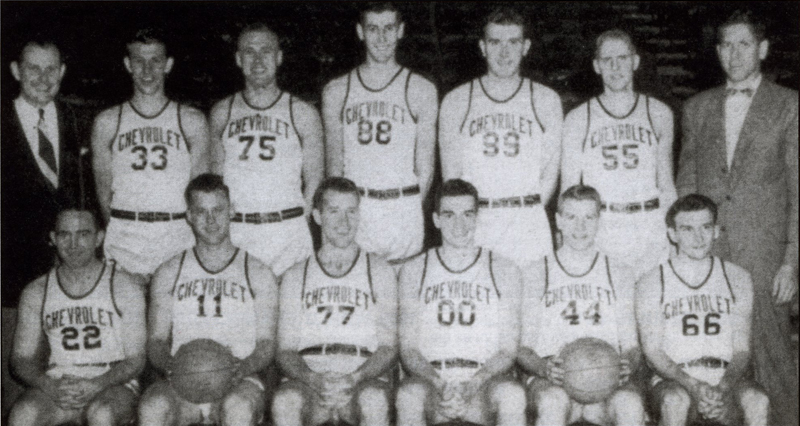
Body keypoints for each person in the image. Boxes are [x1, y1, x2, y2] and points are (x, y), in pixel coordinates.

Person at [675, 10, 797, 425]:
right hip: (707, 253)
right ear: (717, 51)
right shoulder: (696, 107)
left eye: (744, 44)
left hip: (764, 253)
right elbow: (686, 186)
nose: (735, 53)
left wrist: (792, 261)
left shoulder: (789, 105)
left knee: (772, 353)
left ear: (762, 49)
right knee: (715, 353)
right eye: (726, 44)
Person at [2, 37, 95, 414]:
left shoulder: (77, 119)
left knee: (75, 391)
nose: (42, 77)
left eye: (50, 69)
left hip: (71, 282)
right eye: (33, 68)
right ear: (15, 71)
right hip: (11, 282)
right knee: (18, 393)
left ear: (62, 73)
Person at [139, 174, 278, 425]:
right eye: (201, 212)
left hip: (240, 381)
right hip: (183, 378)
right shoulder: (169, 271)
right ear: (189, 216)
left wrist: (241, 369)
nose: (211, 220)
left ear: (231, 212)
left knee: (239, 410)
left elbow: (267, 343)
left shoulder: (258, 272)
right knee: (152, 407)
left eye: (218, 210)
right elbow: (156, 341)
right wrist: (171, 366)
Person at [439, 6, 563, 269]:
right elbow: (452, 178)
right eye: (495, 42)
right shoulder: (457, 100)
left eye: (513, 42)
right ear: (482, 47)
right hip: (479, 222)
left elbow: (550, 174)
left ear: (526, 46)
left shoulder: (546, 99)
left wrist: (526, 211)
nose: (504, 52)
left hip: (528, 222)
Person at [396, 179, 525, 426]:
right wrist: (440, 384)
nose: (459, 224)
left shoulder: (504, 269)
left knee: (513, 395)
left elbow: (508, 350)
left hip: (484, 382)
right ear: (436, 219)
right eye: (449, 215)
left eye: (467, 214)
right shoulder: (413, 270)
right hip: (433, 381)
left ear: (477, 217)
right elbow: (409, 349)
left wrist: (474, 383)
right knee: (408, 396)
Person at [273, 177, 397, 426]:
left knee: (374, 400)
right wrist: (312, 379)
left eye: (351, 211)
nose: (344, 222)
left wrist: (354, 378)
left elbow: (388, 348)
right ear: (317, 216)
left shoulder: (380, 270)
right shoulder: (296, 274)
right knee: (285, 402)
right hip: (310, 376)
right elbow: (285, 351)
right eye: (334, 211)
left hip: (363, 376)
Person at [637, 194, 769, 426]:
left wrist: (723, 387)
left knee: (757, 400)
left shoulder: (738, 277)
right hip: (675, 380)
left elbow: (741, 350)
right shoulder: (651, 281)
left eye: (705, 227)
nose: (698, 238)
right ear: (672, 234)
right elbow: (653, 352)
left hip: (726, 377)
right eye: (687, 229)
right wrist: (694, 386)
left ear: (716, 231)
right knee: (674, 401)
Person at [8, 207, 146, 426]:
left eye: (83, 234)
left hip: (112, 382)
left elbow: (136, 360)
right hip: (59, 383)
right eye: (64, 235)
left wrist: (96, 385)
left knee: (102, 415)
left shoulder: (123, 285)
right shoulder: (36, 291)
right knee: (23, 415)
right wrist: (48, 385)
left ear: (99, 238)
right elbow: (21, 359)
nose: (73, 244)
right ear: (53, 238)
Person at [322, 2, 438, 263]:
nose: (382, 37)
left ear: (401, 30)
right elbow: (334, 168)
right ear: (360, 32)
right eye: (373, 29)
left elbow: (426, 169)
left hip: (402, 207)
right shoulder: (336, 90)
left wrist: (405, 207)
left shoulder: (421, 89)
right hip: (358, 209)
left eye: (389, 28)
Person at [518, 185, 643, 426]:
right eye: (571, 217)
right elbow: (523, 349)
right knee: (552, 402)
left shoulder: (620, 272)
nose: (580, 226)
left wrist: (627, 365)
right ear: (558, 221)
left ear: (599, 221)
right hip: (553, 377)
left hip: (605, 372)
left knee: (631, 405)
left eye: (588, 217)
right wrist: (544, 368)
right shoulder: (535, 272)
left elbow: (631, 346)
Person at [91, 28, 210, 277]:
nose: (147, 70)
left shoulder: (191, 120)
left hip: (176, 236)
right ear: (128, 64)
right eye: (139, 61)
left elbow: (199, 192)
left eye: (155, 61)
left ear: (168, 65)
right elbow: (103, 191)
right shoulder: (108, 121)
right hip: (125, 237)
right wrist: (121, 225)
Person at [209, 23, 322, 276]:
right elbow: (215, 184)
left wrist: (295, 224)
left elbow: (314, 180)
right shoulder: (221, 112)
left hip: (288, 232)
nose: (258, 60)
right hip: (239, 231)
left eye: (266, 51)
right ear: (238, 59)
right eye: (249, 52)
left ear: (279, 57)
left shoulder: (302, 113)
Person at [561, 29, 676, 279]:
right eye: (607, 60)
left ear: (635, 61)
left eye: (622, 58)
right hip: (604, 227)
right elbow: (568, 188)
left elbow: (666, 184)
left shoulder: (659, 113)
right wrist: (566, 238)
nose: (615, 67)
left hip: (650, 226)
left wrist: (673, 235)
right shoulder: (578, 118)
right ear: (596, 65)